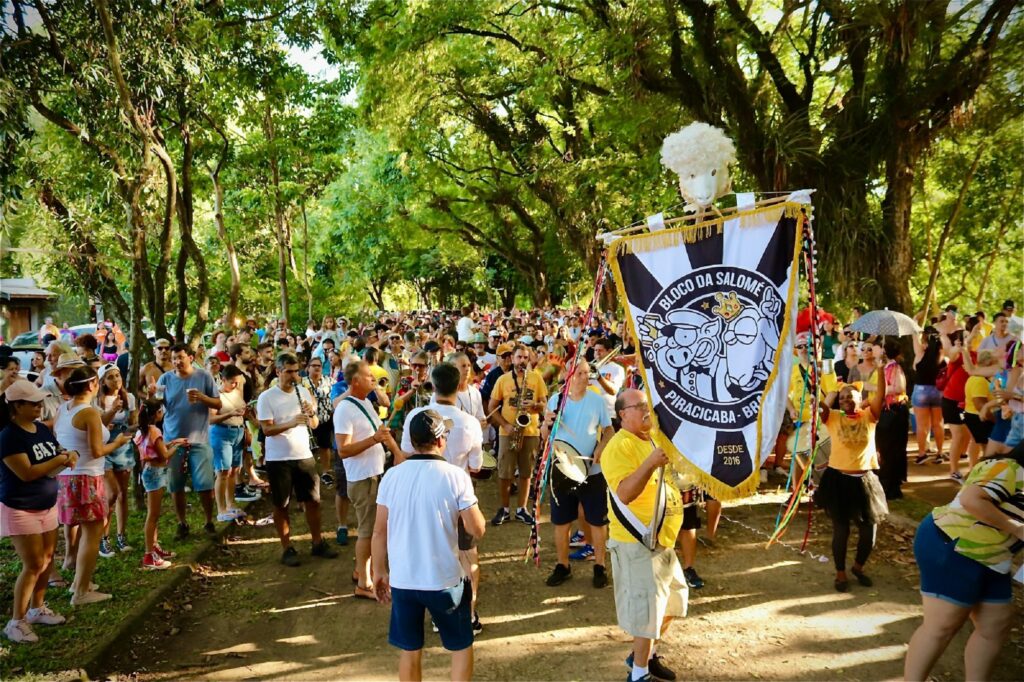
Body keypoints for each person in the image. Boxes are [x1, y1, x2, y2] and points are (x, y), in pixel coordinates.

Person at [372, 409, 486, 682]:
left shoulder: (392, 476)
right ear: (440, 440)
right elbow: (477, 529)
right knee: (460, 645)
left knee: (410, 650)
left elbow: (378, 531)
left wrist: (378, 572)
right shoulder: (455, 476)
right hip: (444, 580)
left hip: (403, 580)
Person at [904, 443, 1024, 681]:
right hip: (955, 546)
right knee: (941, 626)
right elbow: (972, 499)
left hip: (994, 556)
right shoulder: (1009, 469)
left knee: (995, 627)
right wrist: (1018, 529)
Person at [601, 389, 685, 682]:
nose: (647, 411)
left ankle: (644, 657)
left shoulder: (652, 437)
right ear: (623, 414)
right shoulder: (618, 446)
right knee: (647, 613)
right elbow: (624, 493)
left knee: (671, 604)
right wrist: (650, 463)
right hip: (636, 541)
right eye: (640, 407)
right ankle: (638, 675)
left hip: (663, 540)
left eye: (647, 405)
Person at [401, 363, 484, 631]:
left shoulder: (416, 414)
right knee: (467, 555)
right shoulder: (470, 422)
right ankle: (468, 614)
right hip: (459, 496)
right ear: (460, 386)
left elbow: (406, 451)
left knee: (432, 554)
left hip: (422, 496)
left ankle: (439, 615)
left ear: (432, 386)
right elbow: (477, 466)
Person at [1, 380, 74, 643]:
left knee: (47, 558)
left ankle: (37, 608)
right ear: (16, 406)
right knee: (32, 564)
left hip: (46, 504)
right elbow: (26, 472)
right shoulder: (8, 436)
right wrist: (59, 460)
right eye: (32, 403)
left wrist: (67, 456)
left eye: (39, 402)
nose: (38, 406)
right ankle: (15, 622)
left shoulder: (41, 429)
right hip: (21, 508)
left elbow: (55, 454)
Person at [55, 366, 133, 605]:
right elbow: (98, 450)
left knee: (87, 531)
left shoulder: (63, 409)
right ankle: (80, 591)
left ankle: (81, 582)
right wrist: (118, 441)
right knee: (92, 533)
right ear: (92, 385)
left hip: (67, 477)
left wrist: (109, 414)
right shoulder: (87, 412)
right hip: (87, 477)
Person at [257, 352, 339, 566]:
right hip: (278, 458)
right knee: (281, 503)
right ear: (278, 371)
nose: (293, 376)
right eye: (289, 372)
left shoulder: (302, 391)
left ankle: (318, 542)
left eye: (296, 371)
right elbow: (266, 429)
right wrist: (291, 422)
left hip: (304, 455)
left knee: (313, 501)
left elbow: (313, 425)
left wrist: (311, 414)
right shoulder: (267, 397)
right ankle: (287, 548)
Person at [541, 359, 614, 589]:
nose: (586, 377)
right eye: (580, 373)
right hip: (562, 469)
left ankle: (600, 565)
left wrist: (602, 446)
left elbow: (610, 429)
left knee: (597, 521)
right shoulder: (556, 401)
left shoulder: (597, 401)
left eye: (587, 372)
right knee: (561, 522)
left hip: (592, 471)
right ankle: (563, 566)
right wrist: (546, 424)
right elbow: (545, 435)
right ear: (568, 374)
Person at [816, 365, 887, 592]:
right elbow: (820, 406)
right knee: (841, 530)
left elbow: (881, 396)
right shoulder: (833, 417)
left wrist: (882, 370)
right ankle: (840, 573)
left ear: (860, 398)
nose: (846, 399)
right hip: (839, 481)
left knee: (869, 533)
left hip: (865, 481)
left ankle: (858, 567)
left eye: (851, 396)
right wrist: (816, 382)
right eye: (843, 396)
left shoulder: (870, 416)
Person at [334, 360, 402, 597]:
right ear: (354, 381)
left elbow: (380, 433)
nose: (373, 379)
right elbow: (343, 450)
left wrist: (396, 452)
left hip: (374, 474)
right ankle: (364, 584)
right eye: (368, 376)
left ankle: (361, 571)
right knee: (367, 531)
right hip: (362, 478)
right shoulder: (344, 409)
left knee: (373, 528)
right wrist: (373, 440)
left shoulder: (365, 403)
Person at [157, 343, 222, 539]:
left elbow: (218, 403)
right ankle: (182, 523)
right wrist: (152, 394)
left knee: (205, 484)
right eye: (174, 358)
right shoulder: (165, 379)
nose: (176, 362)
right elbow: (158, 405)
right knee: (176, 484)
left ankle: (209, 521)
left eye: (180, 357)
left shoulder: (204, 377)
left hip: (199, 439)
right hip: (173, 440)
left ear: (191, 357)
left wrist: (202, 397)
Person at [487, 344, 547, 526]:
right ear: (512, 358)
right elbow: (491, 407)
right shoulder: (503, 380)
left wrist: (536, 406)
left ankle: (522, 509)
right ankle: (504, 509)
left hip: (530, 432)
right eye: (519, 357)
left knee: (526, 472)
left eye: (525, 358)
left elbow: (544, 404)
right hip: (508, 432)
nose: (522, 361)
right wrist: (506, 425)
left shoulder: (536, 379)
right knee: (505, 473)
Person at [95, 364, 138, 556]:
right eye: (111, 377)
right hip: (104, 447)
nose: (116, 380)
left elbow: (132, 424)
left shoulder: (129, 398)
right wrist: (111, 412)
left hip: (123, 447)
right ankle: (103, 538)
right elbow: (98, 425)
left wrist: (138, 425)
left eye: (118, 375)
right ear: (103, 381)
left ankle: (121, 535)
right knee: (110, 494)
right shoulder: (97, 401)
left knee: (122, 494)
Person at [134, 399, 181, 569]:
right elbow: (165, 454)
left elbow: (154, 449)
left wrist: (173, 442)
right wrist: (177, 446)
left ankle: (154, 547)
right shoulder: (154, 430)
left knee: (154, 513)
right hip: (155, 472)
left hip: (148, 470)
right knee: (153, 515)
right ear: (157, 413)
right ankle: (149, 555)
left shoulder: (143, 430)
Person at [210, 365, 247, 522]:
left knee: (234, 470)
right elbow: (211, 419)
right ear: (223, 380)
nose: (235, 385)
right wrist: (229, 414)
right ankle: (221, 509)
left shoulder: (237, 392)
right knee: (223, 471)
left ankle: (231, 503)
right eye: (232, 382)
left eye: (237, 382)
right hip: (222, 432)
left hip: (238, 431)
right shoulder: (216, 396)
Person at [876, 339, 909, 499]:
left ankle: (891, 485)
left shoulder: (894, 367)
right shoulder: (885, 368)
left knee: (892, 449)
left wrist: (879, 388)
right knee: (886, 449)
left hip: (895, 413)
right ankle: (887, 483)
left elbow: (899, 388)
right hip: (888, 411)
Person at [912, 327, 945, 464]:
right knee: (938, 424)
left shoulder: (920, 352)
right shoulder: (942, 355)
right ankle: (940, 453)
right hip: (938, 391)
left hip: (921, 390)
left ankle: (922, 454)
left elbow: (914, 336)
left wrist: (915, 327)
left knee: (922, 425)